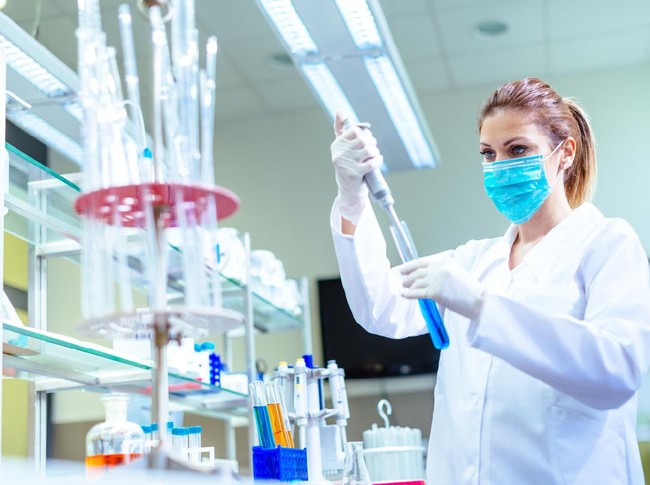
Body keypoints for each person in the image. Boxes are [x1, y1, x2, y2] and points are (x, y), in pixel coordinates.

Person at [328, 77, 650, 484]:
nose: (500, 167)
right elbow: (380, 309)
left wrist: (481, 305)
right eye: (488, 154)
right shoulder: (474, 260)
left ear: (565, 152)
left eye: (517, 150)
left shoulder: (606, 244)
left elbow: (616, 373)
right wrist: (352, 198)